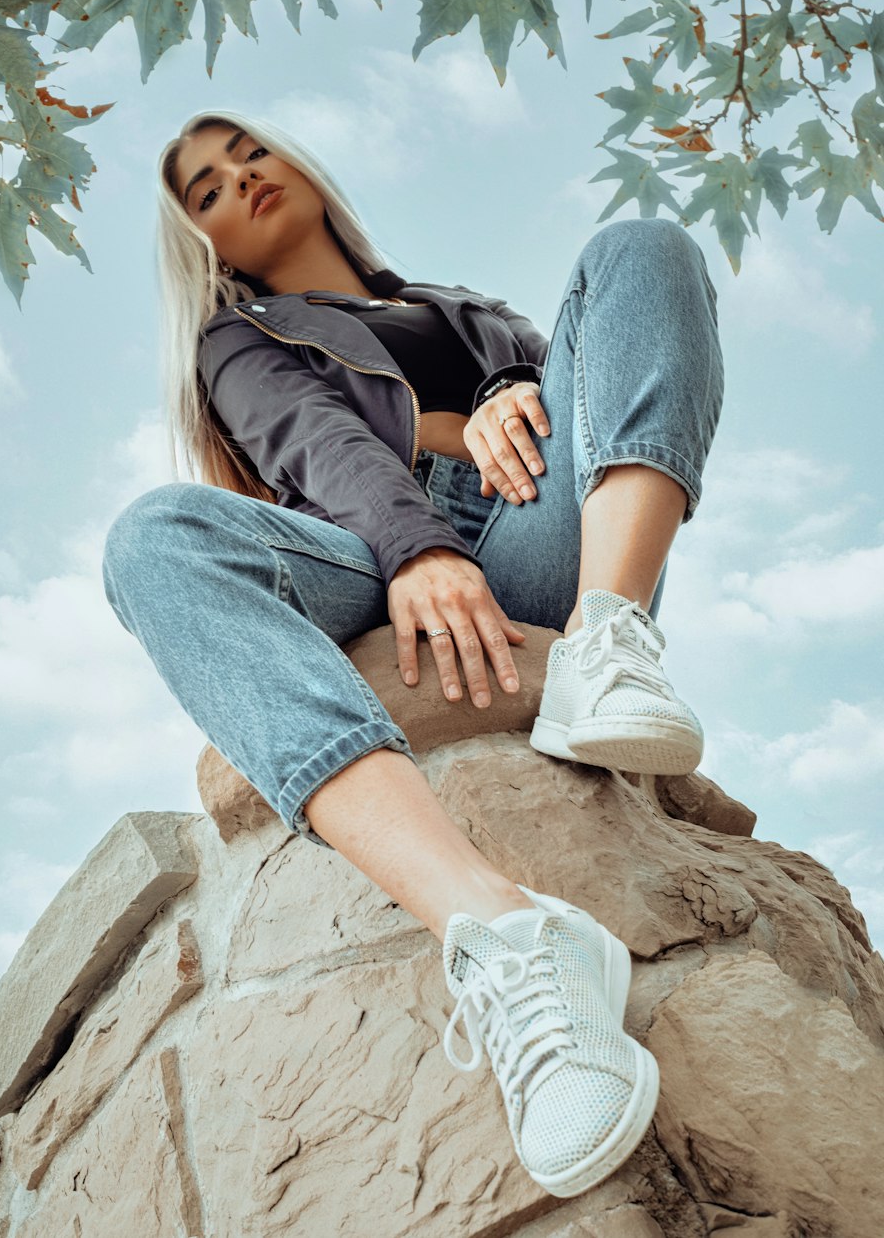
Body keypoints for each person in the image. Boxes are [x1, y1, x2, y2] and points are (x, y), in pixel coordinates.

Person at [102, 109, 723, 1199]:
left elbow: (598, 388)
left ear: (298, 162)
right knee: (153, 539)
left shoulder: (460, 309)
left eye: (248, 153)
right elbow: (322, 443)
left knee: (642, 248)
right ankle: (509, 938)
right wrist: (415, 549)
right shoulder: (239, 338)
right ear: (207, 249)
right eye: (205, 190)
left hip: (537, 534)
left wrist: (506, 391)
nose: (239, 179)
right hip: (366, 547)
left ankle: (608, 638)